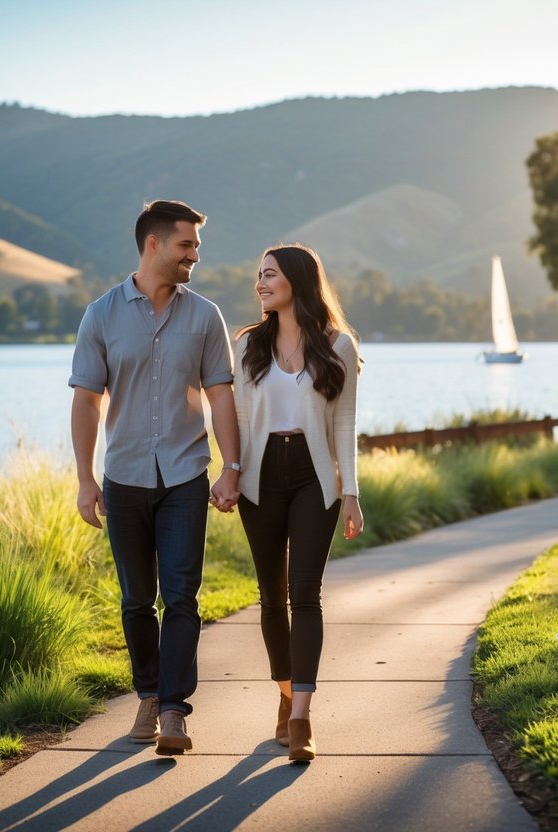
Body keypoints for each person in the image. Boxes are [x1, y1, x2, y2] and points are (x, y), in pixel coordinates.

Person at [69, 199, 240, 757]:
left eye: (196, 246)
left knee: (183, 596)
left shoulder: (205, 315)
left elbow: (220, 396)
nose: (195, 255)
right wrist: (85, 479)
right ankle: (148, 692)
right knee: (136, 600)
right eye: (186, 245)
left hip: (186, 474)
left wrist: (231, 467)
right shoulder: (101, 314)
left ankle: (173, 711)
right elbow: (87, 400)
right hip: (124, 478)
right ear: (153, 245)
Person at [233, 243, 364, 762]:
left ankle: (303, 718)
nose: (261, 283)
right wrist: (230, 473)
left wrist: (350, 494)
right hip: (260, 479)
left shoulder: (339, 345)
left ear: (298, 281)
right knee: (271, 596)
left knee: (306, 594)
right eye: (259, 275)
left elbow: (345, 423)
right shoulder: (246, 345)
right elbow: (240, 421)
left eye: (270, 274)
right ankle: (286, 698)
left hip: (315, 479)